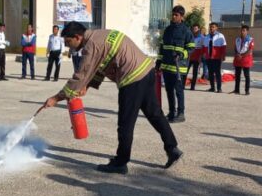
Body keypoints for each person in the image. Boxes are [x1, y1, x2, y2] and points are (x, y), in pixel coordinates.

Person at [43, 22, 183, 174]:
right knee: (155, 114)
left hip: (132, 78)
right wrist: (88, 85)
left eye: (69, 42)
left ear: (77, 37)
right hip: (146, 71)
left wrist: (56, 98)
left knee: (125, 124)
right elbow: (103, 63)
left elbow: (79, 76)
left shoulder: (91, 46)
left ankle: (121, 162)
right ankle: (172, 149)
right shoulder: (101, 34)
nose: (68, 47)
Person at [156, 5, 195, 123]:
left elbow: (191, 47)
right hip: (167, 66)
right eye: (173, 14)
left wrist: (181, 54)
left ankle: (181, 113)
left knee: (178, 91)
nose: (173, 16)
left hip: (179, 67)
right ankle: (172, 112)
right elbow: (162, 47)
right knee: (168, 91)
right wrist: (158, 61)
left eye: (176, 15)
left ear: (181, 17)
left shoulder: (186, 31)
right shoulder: (167, 30)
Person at [203, 22, 227, 93]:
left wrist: (223, 55)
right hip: (208, 58)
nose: (211, 28)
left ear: (216, 28)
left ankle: (219, 88)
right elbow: (204, 47)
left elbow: (223, 47)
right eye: (210, 27)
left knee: (217, 73)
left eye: (213, 27)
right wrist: (204, 55)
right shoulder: (207, 37)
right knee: (210, 73)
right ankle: (212, 87)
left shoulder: (220, 36)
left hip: (217, 57)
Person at [232, 25, 254, 95]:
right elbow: (235, 48)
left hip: (246, 59)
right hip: (238, 59)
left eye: (244, 30)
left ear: (247, 31)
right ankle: (236, 90)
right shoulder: (237, 39)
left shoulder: (250, 39)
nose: (242, 32)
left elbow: (250, 50)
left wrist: (242, 56)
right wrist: (237, 54)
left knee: (246, 76)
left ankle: (247, 90)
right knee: (237, 75)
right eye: (241, 30)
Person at [187, 24, 203, 91]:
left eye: (196, 28)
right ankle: (182, 85)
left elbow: (202, 48)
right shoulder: (190, 37)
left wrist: (200, 57)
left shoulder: (202, 37)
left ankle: (192, 86)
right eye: (193, 29)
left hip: (197, 58)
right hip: (189, 57)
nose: (194, 30)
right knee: (185, 71)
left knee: (195, 73)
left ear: (198, 29)